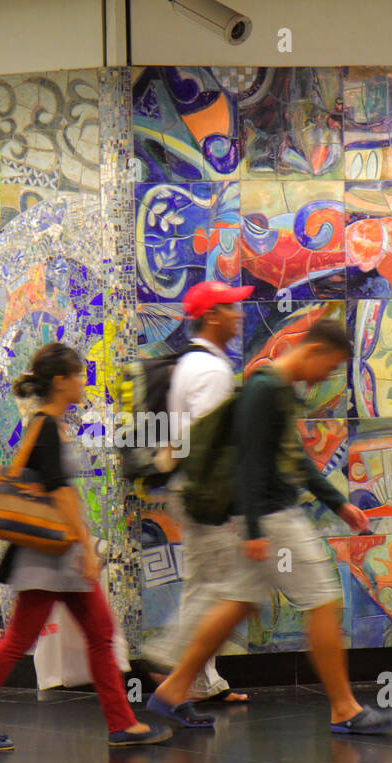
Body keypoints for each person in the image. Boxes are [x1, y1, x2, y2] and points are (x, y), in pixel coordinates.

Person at [147, 317, 392, 735]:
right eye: (331, 367)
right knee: (321, 601)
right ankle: (344, 708)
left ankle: (173, 690)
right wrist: (252, 529)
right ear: (314, 351)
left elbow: (294, 457)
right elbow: (247, 462)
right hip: (272, 517)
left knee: (237, 602)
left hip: (265, 515)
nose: (328, 377)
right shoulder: (264, 390)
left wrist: (337, 503)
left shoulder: (278, 390)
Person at [0, 343, 171, 751]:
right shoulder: (48, 428)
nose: (84, 380)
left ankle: (121, 723)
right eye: (78, 374)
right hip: (53, 557)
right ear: (60, 382)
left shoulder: (45, 424)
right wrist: (86, 550)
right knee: (23, 639)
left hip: (54, 556)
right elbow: (62, 495)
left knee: (98, 633)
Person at [141, 280, 252, 705]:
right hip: (206, 494)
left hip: (190, 490)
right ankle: (168, 659)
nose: (239, 315)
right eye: (231, 308)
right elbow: (207, 442)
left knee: (205, 585)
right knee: (221, 588)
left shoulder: (193, 363)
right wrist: (228, 504)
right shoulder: (210, 371)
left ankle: (201, 680)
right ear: (212, 317)